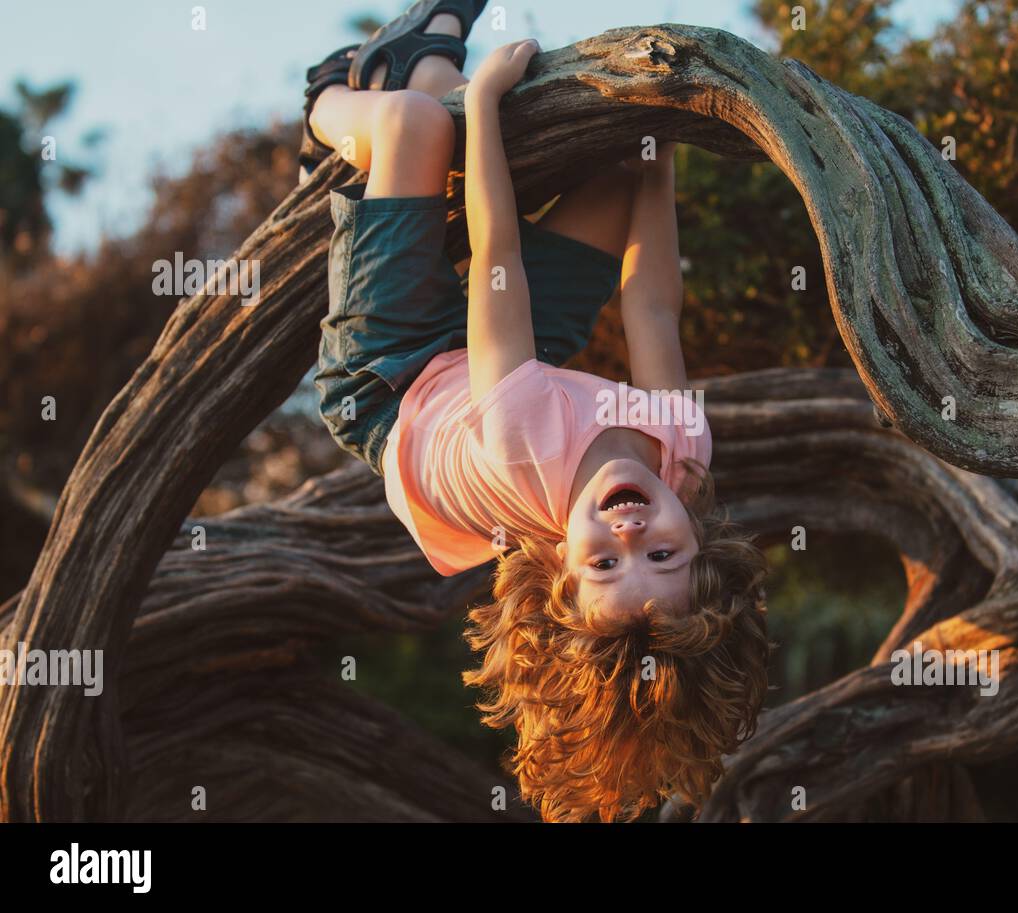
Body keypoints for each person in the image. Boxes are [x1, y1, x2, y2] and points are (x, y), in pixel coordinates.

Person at [302, 0, 769, 822]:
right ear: (701, 543)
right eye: (663, 557)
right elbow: (652, 308)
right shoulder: (684, 455)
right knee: (616, 172)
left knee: (419, 125)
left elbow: (498, 256)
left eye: (603, 567)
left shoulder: (524, 443)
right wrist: (659, 159)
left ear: (558, 567)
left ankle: (329, 107)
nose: (630, 538)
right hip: (509, 362)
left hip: (394, 379)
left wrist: (481, 102)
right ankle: (421, 58)